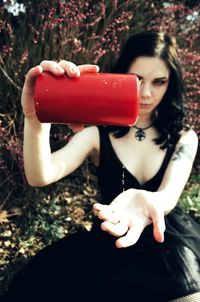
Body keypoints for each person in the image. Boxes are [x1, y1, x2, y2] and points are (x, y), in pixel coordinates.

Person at [4, 31, 200, 302]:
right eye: (137, 80)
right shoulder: (99, 133)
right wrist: (35, 118)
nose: (146, 93)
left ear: (171, 84)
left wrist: (150, 201)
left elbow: (168, 195)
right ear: (121, 76)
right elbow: (41, 174)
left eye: (159, 82)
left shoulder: (185, 138)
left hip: (169, 241)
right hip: (113, 241)